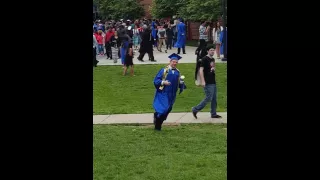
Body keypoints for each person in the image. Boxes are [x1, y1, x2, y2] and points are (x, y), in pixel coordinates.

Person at [153, 53, 186, 131]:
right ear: (170, 61)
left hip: (172, 94)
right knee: (163, 110)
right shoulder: (164, 70)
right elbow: (156, 80)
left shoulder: (178, 72)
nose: (175, 63)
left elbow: (178, 83)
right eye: (173, 62)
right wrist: (163, 82)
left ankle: (157, 117)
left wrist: (181, 84)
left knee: (168, 109)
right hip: (163, 93)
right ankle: (157, 126)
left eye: (176, 62)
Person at [192, 45, 222, 119]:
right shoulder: (204, 59)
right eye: (211, 50)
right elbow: (201, 70)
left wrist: (213, 70)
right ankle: (195, 109)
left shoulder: (213, 59)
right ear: (208, 51)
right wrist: (203, 81)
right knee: (209, 97)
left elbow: (212, 68)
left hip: (213, 81)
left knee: (214, 98)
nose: (212, 51)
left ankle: (213, 113)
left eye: (213, 50)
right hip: (207, 81)